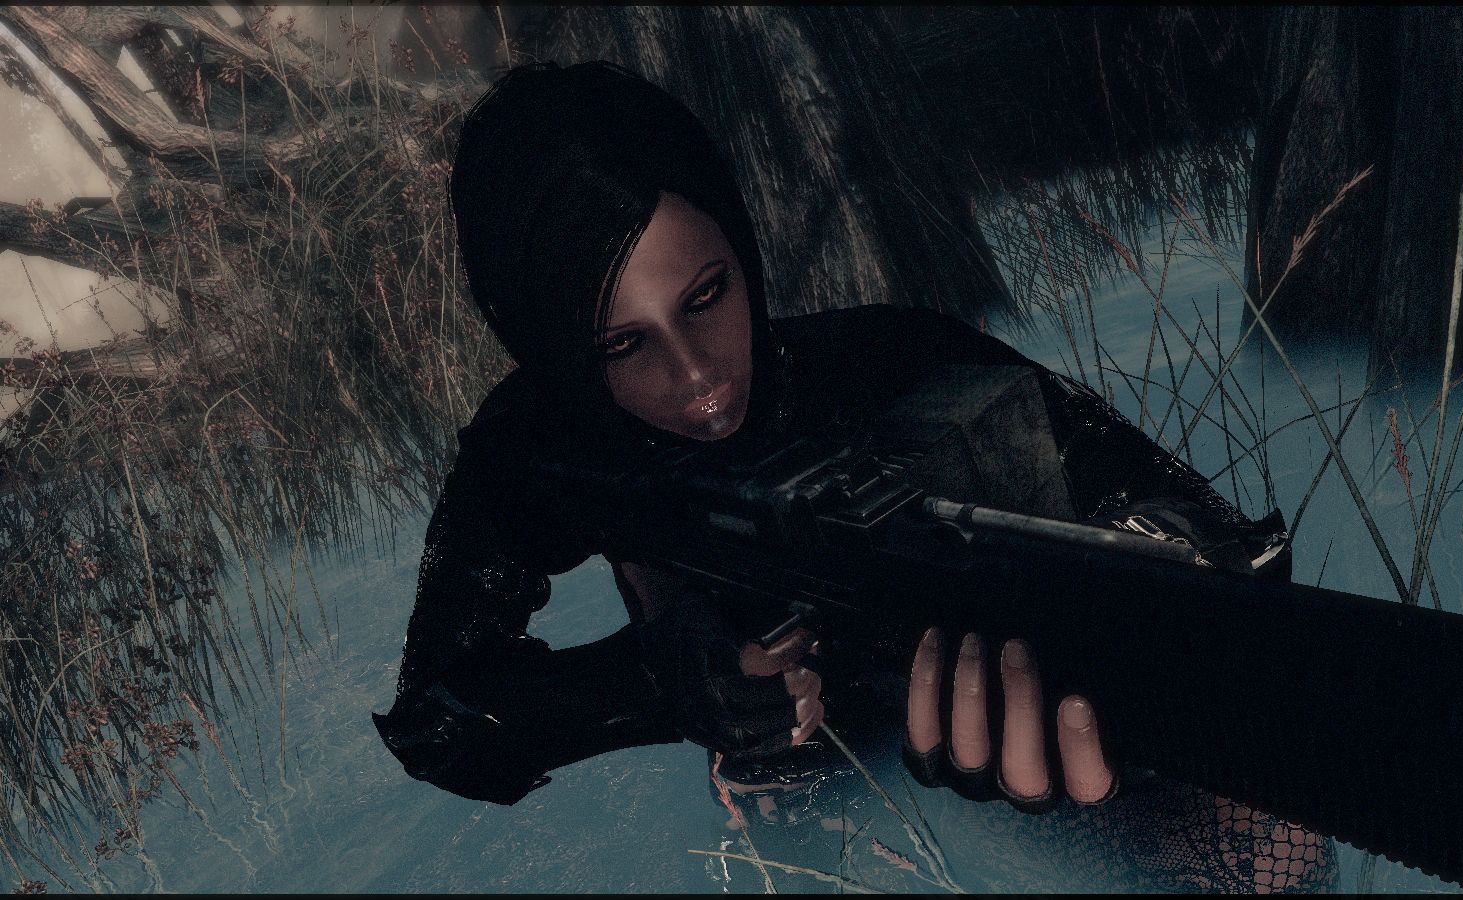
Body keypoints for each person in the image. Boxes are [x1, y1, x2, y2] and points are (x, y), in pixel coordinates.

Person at [372, 60, 1333, 892]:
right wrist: (664, 680)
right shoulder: (543, 444)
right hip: (806, 797)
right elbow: (436, 722)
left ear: (741, 251)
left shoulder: (900, 361)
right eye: (621, 344)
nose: (696, 376)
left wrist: (1143, 570)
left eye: (705, 295)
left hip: (1023, 735)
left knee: (1272, 848)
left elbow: (1200, 530)